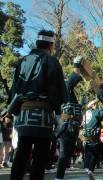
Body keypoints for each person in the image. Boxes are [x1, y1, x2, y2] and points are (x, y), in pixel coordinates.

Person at [9, 30, 68, 180]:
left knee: (21, 153)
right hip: (42, 115)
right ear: (50, 45)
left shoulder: (22, 61)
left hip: (23, 114)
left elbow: (14, 89)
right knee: (39, 157)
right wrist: (58, 110)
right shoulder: (51, 61)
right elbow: (58, 92)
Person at [55, 56, 84, 180]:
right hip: (67, 126)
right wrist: (77, 65)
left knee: (65, 154)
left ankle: (59, 177)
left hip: (69, 125)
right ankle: (58, 177)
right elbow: (72, 80)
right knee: (63, 154)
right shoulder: (64, 86)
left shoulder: (63, 91)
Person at [82, 100, 103, 180]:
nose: (97, 105)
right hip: (95, 140)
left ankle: (90, 171)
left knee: (95, 154)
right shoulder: (95, 112)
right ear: (93, 105)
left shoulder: (85, 113)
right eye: (96, 104)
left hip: (87, 141)